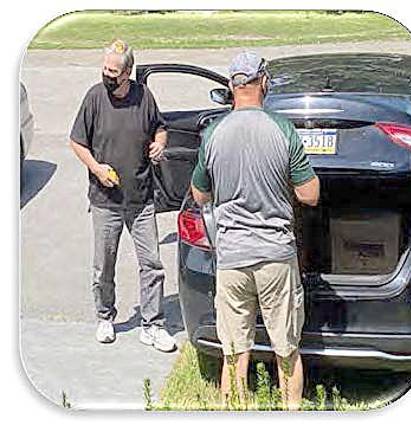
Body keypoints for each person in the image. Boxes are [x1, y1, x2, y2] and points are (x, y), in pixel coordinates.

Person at [190, 51, 320, 409]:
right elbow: (310, 195)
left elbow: (199, 194)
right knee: (287, 349)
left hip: (232, 257)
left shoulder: (214, 134)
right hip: (275, 256)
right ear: (263, 82)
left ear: (233, 86)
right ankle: (290, 412)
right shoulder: (282, 129)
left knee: (233, 352)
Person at [70, 40, 176, 352]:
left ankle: (153, 325)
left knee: (152, 264)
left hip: (141, 198)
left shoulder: (144, 97)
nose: (106, 75)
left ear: (127, 72)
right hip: (106, 200)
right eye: (104, 69)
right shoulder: (94, 98)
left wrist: (160, 143)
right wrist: (96, 168)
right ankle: (105, 317)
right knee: (104, 264)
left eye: (113, 71)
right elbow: (76, 142)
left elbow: (160, 127)